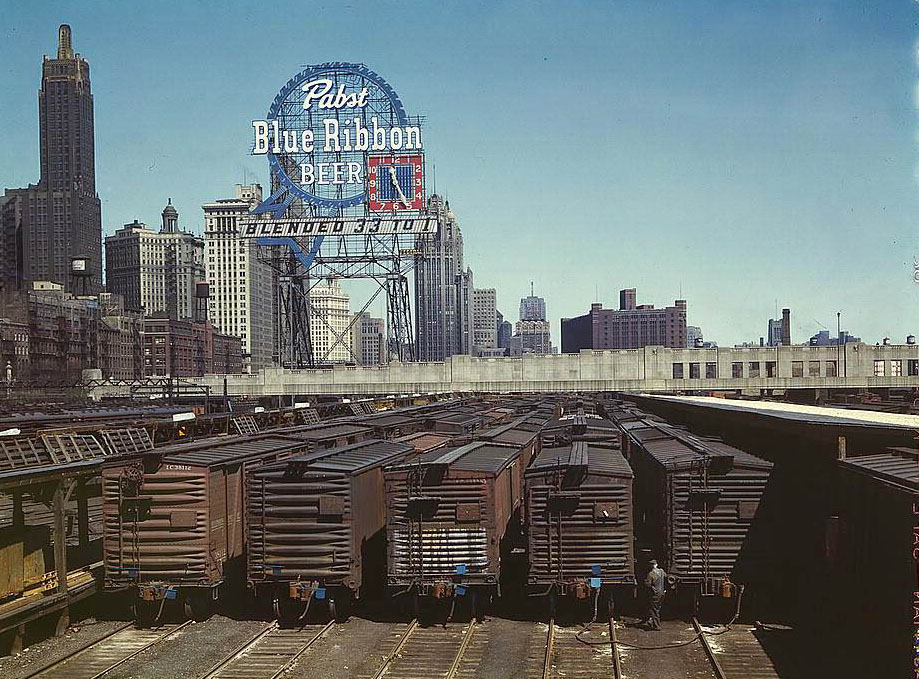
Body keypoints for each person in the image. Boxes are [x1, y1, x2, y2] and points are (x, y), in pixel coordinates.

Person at [643, 558, 666, 631]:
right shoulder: (662, 571)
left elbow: (648, 585)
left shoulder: (651, 574)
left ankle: (657, 625)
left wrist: (645, 582)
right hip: (662, 593)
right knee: (658, 608)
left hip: (655, 594)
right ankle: (651, 621)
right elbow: (666, 576)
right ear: (656, 565)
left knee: (654, 610)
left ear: (651, 566)